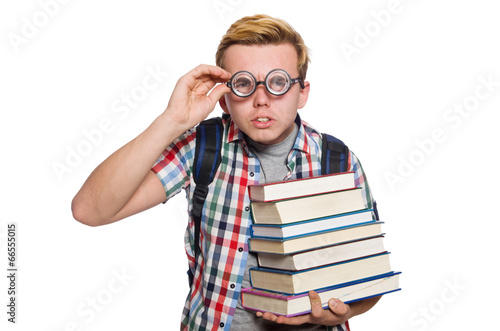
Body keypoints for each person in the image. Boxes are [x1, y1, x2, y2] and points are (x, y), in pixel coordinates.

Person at [72, 14, 380, 331]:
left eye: (278, 82)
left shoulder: (337, 161)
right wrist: (173, 120)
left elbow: (370, 277)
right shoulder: (202, 147)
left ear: (302, 92)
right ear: (225, 96)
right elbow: (90, 210)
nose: (261, 100)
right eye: (244, 84)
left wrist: (338, 314)